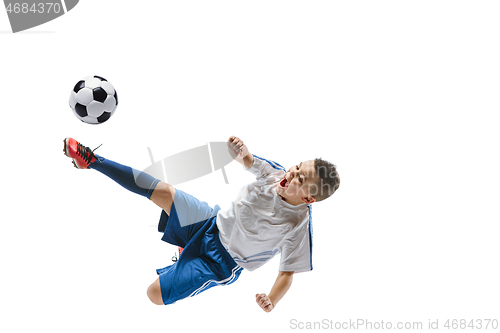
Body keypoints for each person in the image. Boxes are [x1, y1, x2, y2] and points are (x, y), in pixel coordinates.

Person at [62, 136, 340, 312]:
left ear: (309, 198)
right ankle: (93, 161)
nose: (291, 174)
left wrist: (272, 299)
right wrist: (241, 151)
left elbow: (287, 273)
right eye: (297, 167)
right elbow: (250, 161)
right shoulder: (276, 174)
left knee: (154, 295)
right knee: (163, 192)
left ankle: (184, 258)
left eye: (300, 180)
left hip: (219, 263)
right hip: (209, 222)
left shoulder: (298, 226)